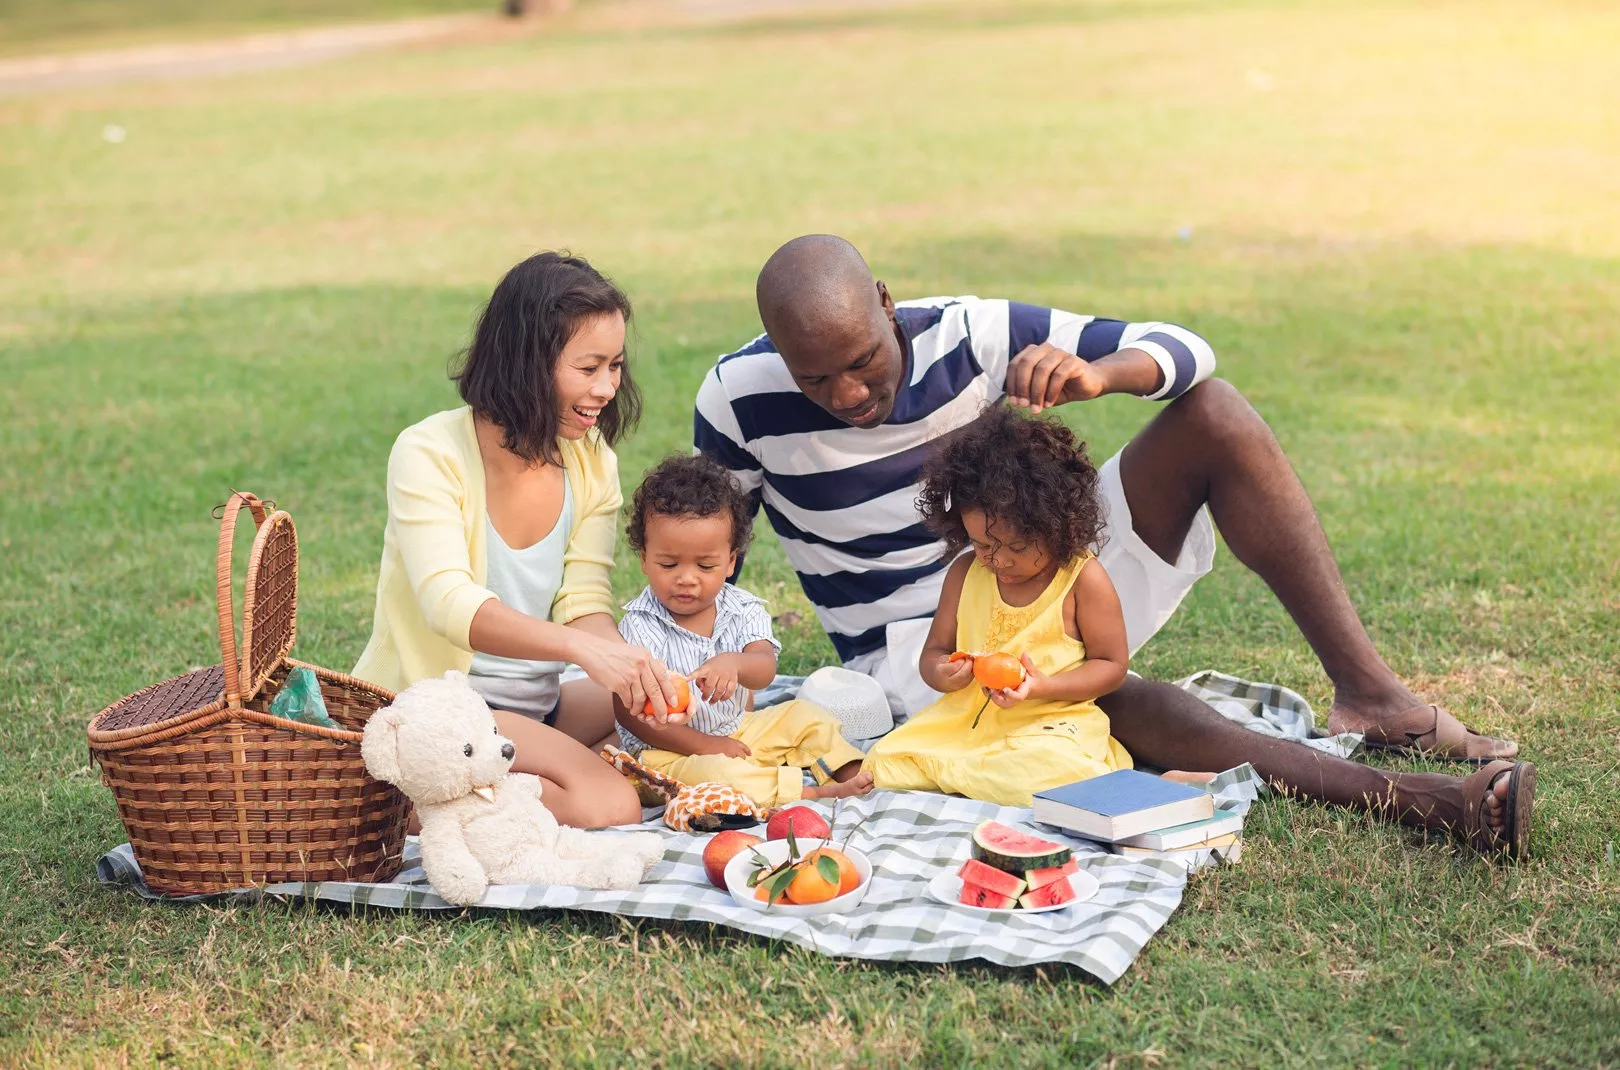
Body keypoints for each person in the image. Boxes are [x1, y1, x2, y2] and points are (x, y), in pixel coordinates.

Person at [694, 233, 1533, 856]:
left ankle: (1374, 698)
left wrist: (1100, 375)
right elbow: (712, 555)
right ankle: (1420, 800)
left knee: (1216, 412)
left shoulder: (969, 332)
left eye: (863, 361)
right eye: (815, 377)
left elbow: (1189, 351)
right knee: (1121, 703)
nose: (847, 394)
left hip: (1041, 574)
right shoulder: (737, 397)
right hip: (923, 657)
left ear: (885, 302)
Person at [354, 251, 680, 828]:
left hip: (533, 708)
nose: (607, 387)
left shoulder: (591, 461)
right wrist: (580, 651)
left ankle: (487, 785)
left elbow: (582, 600)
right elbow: (449, 605)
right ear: (527, 363)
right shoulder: (429, 453)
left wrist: (625, 661)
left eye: (617, 365)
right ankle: (409, 798)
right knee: (611, 803)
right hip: (444, 712)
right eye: (589, 368)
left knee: (659, 717)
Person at [864, 406, 1132, 806]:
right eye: (983, 545)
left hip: (1048, 726)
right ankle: (972, 776)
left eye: (1018, 548)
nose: (999, 560)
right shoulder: (965, 573)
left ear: (1057, 526)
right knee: (880, 763)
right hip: (965, 725)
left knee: (1053, 770)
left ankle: (965, 778)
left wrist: (1042, 687)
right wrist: (942, 673)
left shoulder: (1081, 580)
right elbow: (934, 651)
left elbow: (1112, 667)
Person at [613, 455, 874, 806]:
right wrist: (707, 747)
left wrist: (735, 664)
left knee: (805, 715)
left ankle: (849, 770)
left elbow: (764, 669)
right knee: (719, 778)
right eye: (668, 563)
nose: (687, 578)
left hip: (739, 729)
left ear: (731, 561)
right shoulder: (639, 625)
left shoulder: (742, 608)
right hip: (669, 754)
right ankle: (807, 792)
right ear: (644, 558)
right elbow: (626, 712)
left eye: (706, 565)